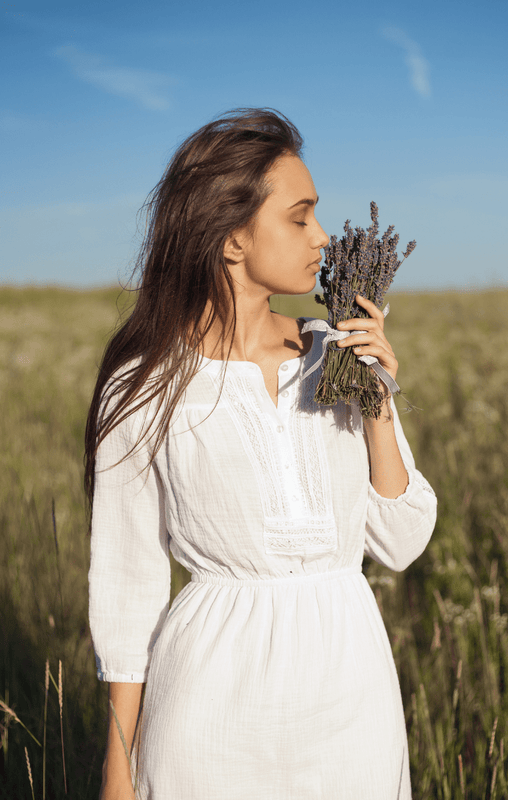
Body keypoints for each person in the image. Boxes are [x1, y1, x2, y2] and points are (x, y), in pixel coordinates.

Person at [86, 108, 437, 800]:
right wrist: (119, 768)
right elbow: (127, 589)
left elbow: (400, 541)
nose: (324, 237)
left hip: (351, 698)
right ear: (230, 238)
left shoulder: (329, 359)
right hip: (211, 707)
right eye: (299, 217)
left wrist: (375, 401)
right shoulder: (144, 387)